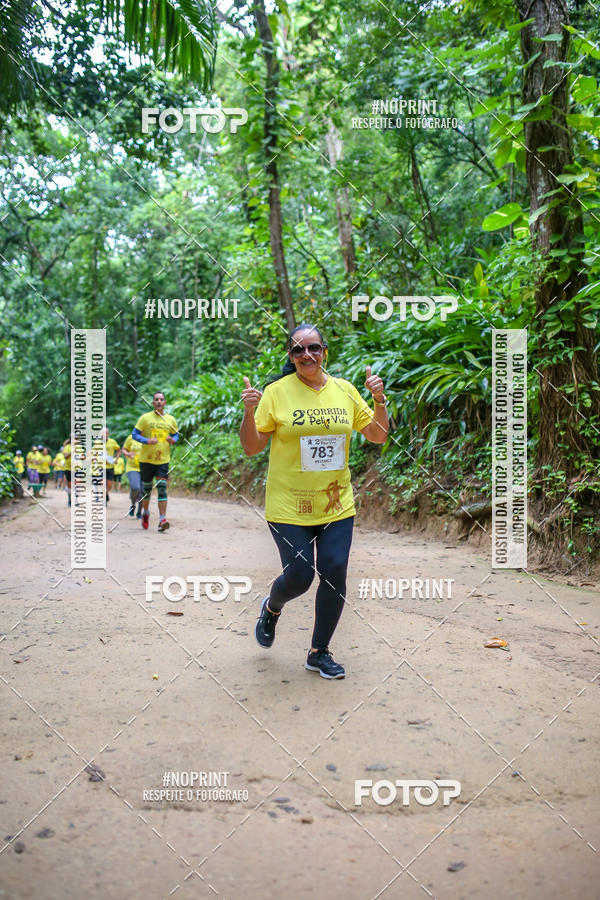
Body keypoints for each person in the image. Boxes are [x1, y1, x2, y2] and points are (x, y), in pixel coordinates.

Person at [240, 323, 389, 680]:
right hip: (289, 505)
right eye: (298, 350)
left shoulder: (344, 390)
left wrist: (379, 401)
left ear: (325, 351)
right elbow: (251, 446)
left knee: (335, 573)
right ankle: (272, 607)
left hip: (336, 504)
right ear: (290, 357)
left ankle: (319, 652)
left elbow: (377, 435)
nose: (307, 355)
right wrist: (249, 411)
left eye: (314, 348)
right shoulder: (276, 393)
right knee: (301, 575)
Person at [132, 391, 179, 532]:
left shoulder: (170, 419)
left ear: (165, 403)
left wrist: (173, 440)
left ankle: (162, 519)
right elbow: (134, 434)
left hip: (163, 460)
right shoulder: (145, 418)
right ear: (153, 403)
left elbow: (175, 434)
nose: (159, 401)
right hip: (146, 460)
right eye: (156, 400)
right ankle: (145, 513)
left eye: (161, 399)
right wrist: (146, 441)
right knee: (147, 490)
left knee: (162, 488)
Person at [120, 433, 143, 517]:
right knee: (135, 487)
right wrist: (127, 454)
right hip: (132, 467)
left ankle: (140, 512)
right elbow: (124, 449)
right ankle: (133, 505)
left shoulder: (149, 438)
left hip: (145, 468)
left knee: (143, 492)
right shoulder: (131, 437)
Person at [99, 427, 120, 504]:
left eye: (105, 433)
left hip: (110, 466)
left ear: (108, 434)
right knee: (103, 482)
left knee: (109, 485)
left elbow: (118, 450)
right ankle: (104, 496)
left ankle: (106, 494)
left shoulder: (112, 441)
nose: (104, 435)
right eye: (102, 434)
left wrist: (116, 459)